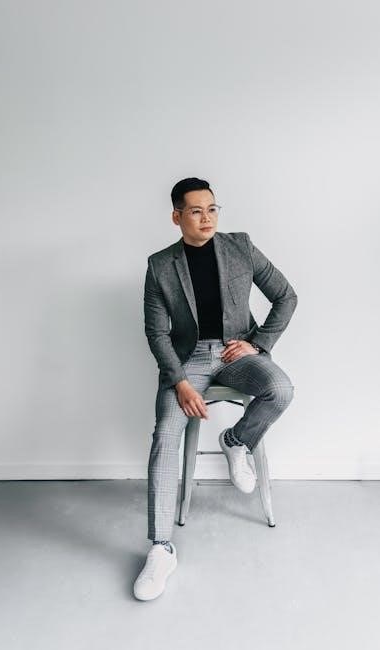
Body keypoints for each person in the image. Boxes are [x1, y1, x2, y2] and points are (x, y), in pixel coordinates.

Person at [133, 177, 298, 601]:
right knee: (165, 435)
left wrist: (257, 343)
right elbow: (157, 333)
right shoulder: (160, 266)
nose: (207, 218)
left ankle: (236, 440)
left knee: (280, 389)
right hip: (187, 361)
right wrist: (180, 382)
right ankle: (160, 548)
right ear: (177, 217)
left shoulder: (240, 247)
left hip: (235, 353)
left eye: (212, 209)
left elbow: (286, 296)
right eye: (195, 211)